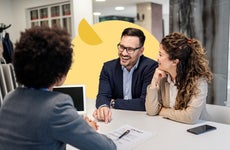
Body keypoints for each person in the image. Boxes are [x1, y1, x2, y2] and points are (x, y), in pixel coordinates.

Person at [0, 26, 116, 150]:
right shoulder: (56, 106)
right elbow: (106, 148)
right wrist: (88, 130)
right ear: (60, 72)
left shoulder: (9, 99)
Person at [145, 32, 213, 124]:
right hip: (174, 128)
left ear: (175, 62)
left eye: (160, 55)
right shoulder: (163, 78)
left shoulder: (198, 81)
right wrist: (154, 82)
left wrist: (162, 111)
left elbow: (190, 117)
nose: (157, 58)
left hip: (197, 131)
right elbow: (151, 111)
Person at [93, 27, 158, 123]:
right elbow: (102, 96)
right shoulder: (108, 67)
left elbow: (145, 103)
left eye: (130, 49)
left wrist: (114, 102)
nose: (123, 53)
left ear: (141, 51)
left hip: (143, 120)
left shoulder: (151, 67)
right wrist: (103, 107)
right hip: (116, 119)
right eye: (122, 47)